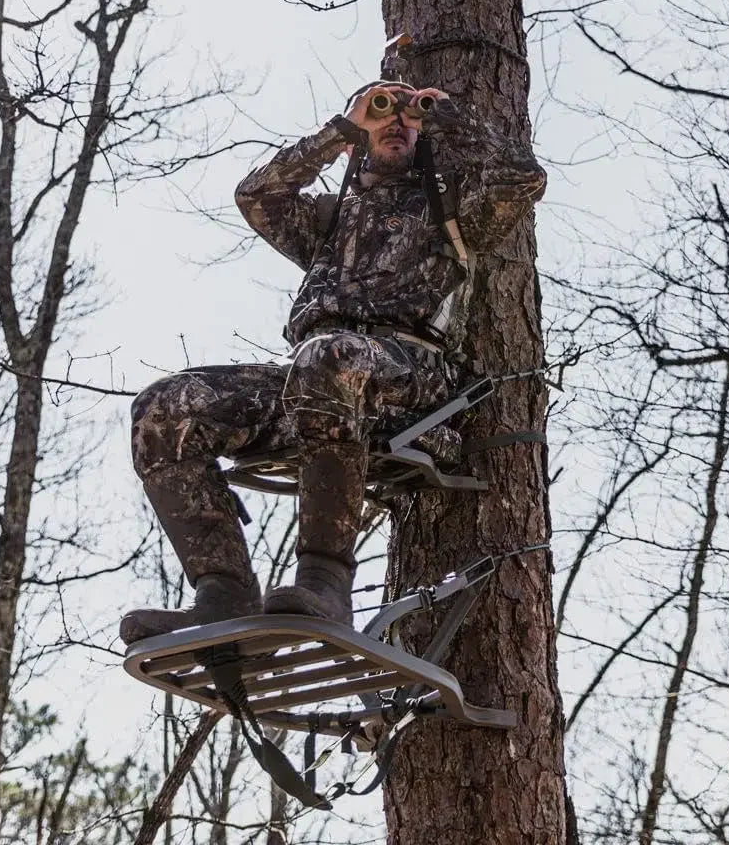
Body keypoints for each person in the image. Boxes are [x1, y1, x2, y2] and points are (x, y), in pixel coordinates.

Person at [120, 78, 546, 644]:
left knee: (328, 357)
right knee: (164, 406)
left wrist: (446, 118)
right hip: (317, 380)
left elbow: (523, 179)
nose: (396, 123)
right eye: (383, 113)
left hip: (410, 379)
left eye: (407, 119)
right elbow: (256, 196)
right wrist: (340, 130)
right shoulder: (329, 220)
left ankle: (324, 584)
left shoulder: (452, 210)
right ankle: (221, 592)